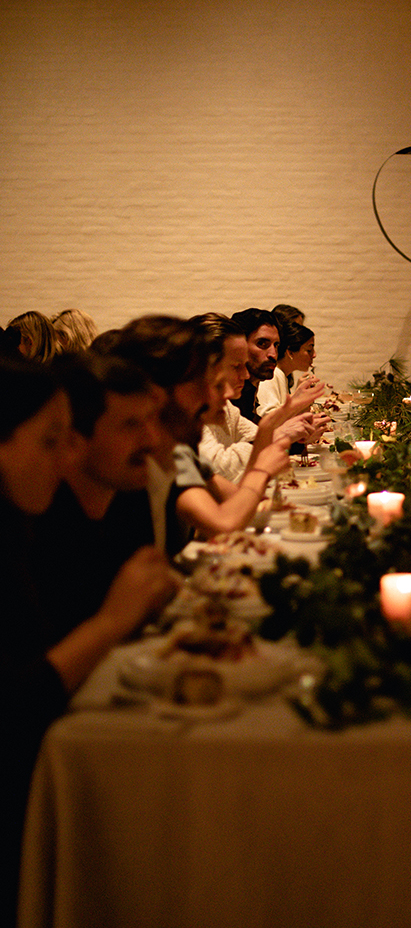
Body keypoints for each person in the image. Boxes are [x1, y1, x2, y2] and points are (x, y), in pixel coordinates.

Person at [0, 356, 176, 925]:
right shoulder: (32, 529)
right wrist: (110, 622)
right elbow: (13, 712)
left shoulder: (27, 520)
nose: (67, 455)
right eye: (52, 439)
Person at [110, 315, 291, 544]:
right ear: (160, 390)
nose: (221, 396)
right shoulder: (138, 456)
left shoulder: (179, 449)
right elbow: (222, 524)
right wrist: (260, 471)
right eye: (207, 384)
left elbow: (235, 500)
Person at [32, 352, 165, 638]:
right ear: (72, 440)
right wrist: (113, 621)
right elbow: (26, 677)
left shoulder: (129, 495)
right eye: (131, 425)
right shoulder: (32, 524)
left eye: (150, 420)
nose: (152, 439)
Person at [193, 313, 324, 483]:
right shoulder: (184, 413)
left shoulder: (226, 406)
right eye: (236, 366)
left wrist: (286, 424)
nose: (273, 354)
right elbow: (220, 469)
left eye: (276, 345)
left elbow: (258, 437)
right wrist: (280, 430)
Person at [256, 319, 318, 417]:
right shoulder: (272, 375)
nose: (314, 355)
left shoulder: (282, 374)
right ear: (290, 352)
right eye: (309, 350)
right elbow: (266, 416)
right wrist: (298, 398)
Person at [229, 308, 281, 423]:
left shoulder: (249, 390)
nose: (273, 354)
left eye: (276, 345)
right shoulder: (231, 396)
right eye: (262, 343)